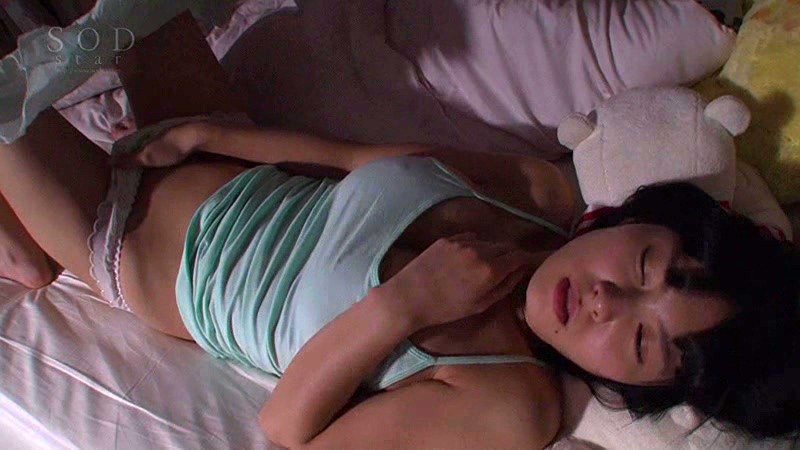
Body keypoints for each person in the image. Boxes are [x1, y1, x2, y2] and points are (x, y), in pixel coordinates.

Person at [1, 16, 799, 450]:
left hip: (129, 245)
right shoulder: (538, 190)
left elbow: (287, 433)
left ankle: (22, 249)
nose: (604, 300)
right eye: (645, 263)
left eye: (639, 342)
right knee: (120, 15)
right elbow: (350, 163)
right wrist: (208, 135)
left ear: (635, 387)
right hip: (208, 145)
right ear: (639, 219)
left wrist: (402, 307)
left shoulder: (509, 405)